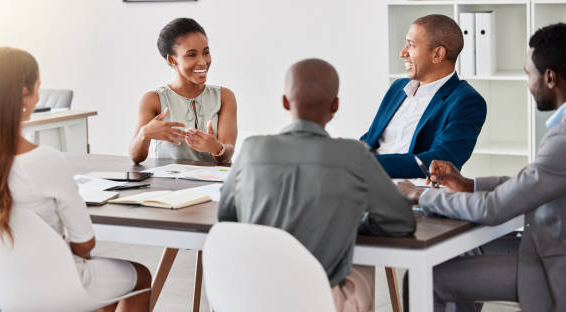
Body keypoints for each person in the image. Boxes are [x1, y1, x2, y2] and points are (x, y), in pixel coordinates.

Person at [0, 47, 151, 311]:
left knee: (99, 295)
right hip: (55, 287)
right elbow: (84, 244)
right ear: (24, 95)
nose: (38, 96)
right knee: (139, 276)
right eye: (37, 88)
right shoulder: (44, 160)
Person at [219, 58, 416, 312]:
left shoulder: (251, 149)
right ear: (335, 106)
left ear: (285, 102)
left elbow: (226, 218)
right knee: (360, 264)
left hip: (248, 299)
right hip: (317, 303)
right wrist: (349, 222)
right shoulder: (353, 154)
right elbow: (401, 221)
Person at [398, 23, 566, 312]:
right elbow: (531, 182)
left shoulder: (562, 139)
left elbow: (493, 209)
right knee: (463, 248)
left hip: (551, 259)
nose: (528, 83)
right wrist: (468, 185)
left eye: (529, 74)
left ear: (549, 77)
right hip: (546, 242)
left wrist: (420, 195)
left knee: (426, 278)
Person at [361, 14, 486, 178]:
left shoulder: (466, 101)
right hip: (364, 182)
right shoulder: (398, 88)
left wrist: (367, 164)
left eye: (411, 45)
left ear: (437, 54)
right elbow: (371, 139)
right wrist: (345, 153)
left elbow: (444, 160)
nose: (402, 53)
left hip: (409, 191)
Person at [129, 17, 237, 164]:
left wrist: (216, 148)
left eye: (205, 52)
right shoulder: (153, 99)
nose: (203, 61)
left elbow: (227, 154)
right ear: (172, 60)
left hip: (212, 184)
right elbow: (136, 157)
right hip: (169, 185)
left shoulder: (225, 97)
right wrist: (144, 134)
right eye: (192, 55)